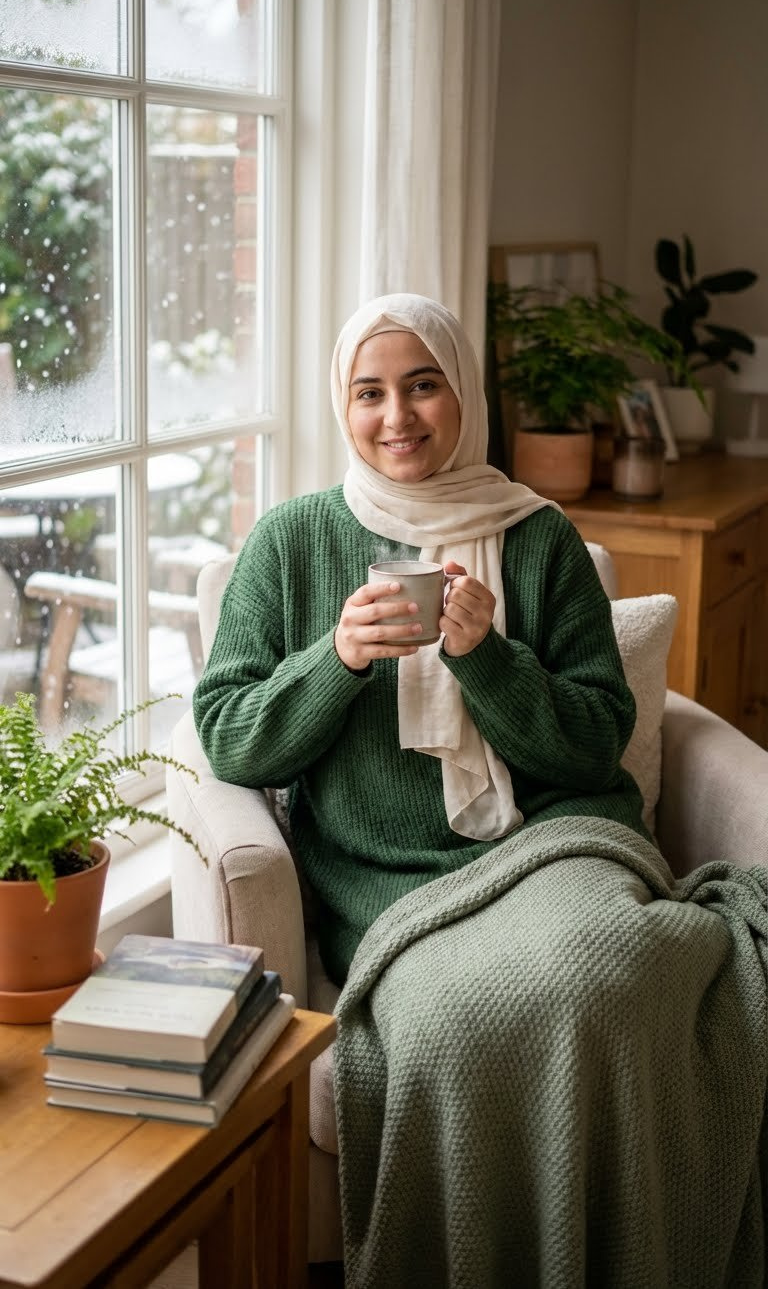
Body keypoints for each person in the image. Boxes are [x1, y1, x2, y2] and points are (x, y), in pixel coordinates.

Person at [194, 294, 765, 1288]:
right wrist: (334, 658)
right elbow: (229, 740)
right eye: (370, 392)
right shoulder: (289, 543)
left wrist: (485, 657)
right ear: (343, 404)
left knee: (616, 982)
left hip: (556, 845)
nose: (398, 417)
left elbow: (595, 747)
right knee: (465, 1023)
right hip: (392, 885)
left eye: (424, 385)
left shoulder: (537, 538)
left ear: (463, 393)